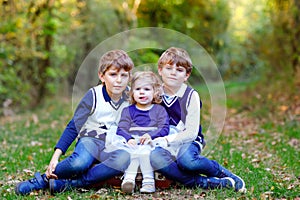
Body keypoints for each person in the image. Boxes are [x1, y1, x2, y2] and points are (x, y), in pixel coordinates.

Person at [15, 49, 134, 195]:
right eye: (113, 74)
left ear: (129, 77)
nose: (119, 80)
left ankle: (71, 184)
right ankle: (43, 179)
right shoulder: (93, 95)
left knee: (124, 158)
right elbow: (73, 126)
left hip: (115, 143)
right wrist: (56, 156)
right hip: (91, 139)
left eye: (124, 75)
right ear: (102, 76)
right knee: (79, 163)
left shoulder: (131, 97)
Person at [150, 47, 246, 192]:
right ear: (160, 70)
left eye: (180, 70)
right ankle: (207, 183)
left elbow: (191, 133)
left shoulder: (190, 96)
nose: (173, 72)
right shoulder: (153, 93)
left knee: (188, 162)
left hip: (187, 140)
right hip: (161, 142)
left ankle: (218, 171)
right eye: (169, 68)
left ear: (187, 75)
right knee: (154, 158)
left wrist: (166, 140)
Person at [115, 71, 169, 194]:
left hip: (151, 141)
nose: (142, 92)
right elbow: (121, 128)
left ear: (155, 92)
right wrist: (128, 138)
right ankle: (128, 180)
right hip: (133, 140)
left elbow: (164, 128)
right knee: (131, 151)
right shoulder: (128, 111)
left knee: (144, 152)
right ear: (132, 93)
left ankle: (149, 182)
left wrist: (151, 136)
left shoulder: (159, 110)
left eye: (147, 89)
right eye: (138, 89)